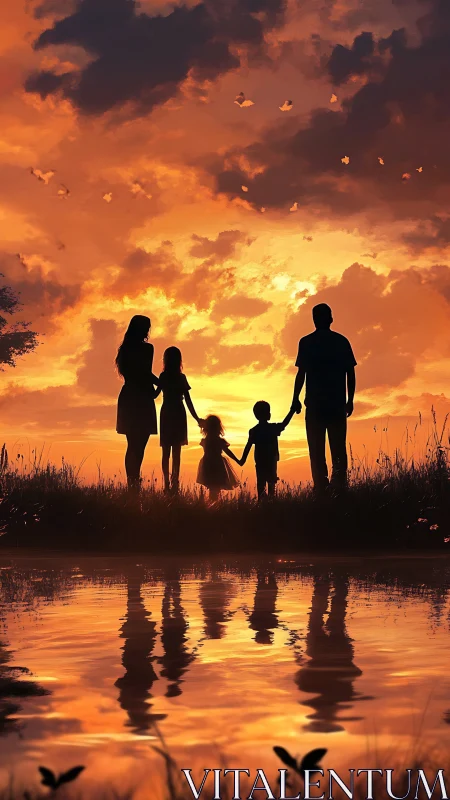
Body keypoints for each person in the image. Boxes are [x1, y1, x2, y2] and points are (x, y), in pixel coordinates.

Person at [291, 303, 356, 492]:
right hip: (335, 404)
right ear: (330, 318)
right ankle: (339, 488)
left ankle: (321, 488)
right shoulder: (341, 341)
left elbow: (300, 374)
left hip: (316, 405)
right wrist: (350, 399)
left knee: (316, 450)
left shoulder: (306, 342)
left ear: (314, 320)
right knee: (338, 448)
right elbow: (350, 373)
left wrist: (295, 398)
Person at [116, 315, 159, 492]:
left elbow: (134, 373)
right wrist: (162, 384)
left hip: (128, 396)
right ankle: (134, 483)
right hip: (141, 398)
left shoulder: (124, 349)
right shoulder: (147, 349)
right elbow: (146, 373)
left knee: (132, 444)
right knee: (139, 444)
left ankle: (132, 483)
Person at [155, 346, 203, 494]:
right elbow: (188, 401)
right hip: (178, 413)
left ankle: (167, 484)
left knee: (166, 452)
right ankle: (174, 483)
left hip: (167, 412)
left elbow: (154, 394)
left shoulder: (163, 376)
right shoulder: (181, 377)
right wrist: (196, 418)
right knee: (176, 452)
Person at [238, 401, 296, 499]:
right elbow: (284, 424)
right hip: (271, 461)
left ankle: (263, 507)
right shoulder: (271, 428)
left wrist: (242, 460)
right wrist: (292, 411)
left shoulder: (254, 431)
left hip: (260, 462)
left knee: (261, 486)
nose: (270, 414)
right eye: (268, 411)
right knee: (271, 486)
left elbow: (248, 446)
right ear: (265, 414)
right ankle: (270, 507)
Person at [196, 415, 240, 501]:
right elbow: (228, 451)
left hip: (208, 463)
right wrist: (238, 460)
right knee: (216, 487)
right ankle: (215, 505)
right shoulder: (219, 441)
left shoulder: (205, 440)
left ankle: (213, 505)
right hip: (217, 464)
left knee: (213, 487)